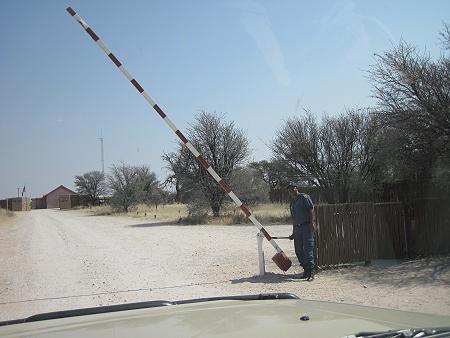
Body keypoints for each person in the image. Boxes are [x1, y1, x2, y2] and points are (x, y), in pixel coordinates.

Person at [287, 183, 316, 281]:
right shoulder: (292, 202)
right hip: (297, 229)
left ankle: (311, 272)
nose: (291, 191)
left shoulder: (304, 197)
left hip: (306, 226)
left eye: (292, 188)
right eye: (289, 190)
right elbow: (294, 218)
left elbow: (311, 209)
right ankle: (306, 270)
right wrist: (293, 232)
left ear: (296, 188)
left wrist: (312, 223)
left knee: (308, 250)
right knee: (298, 250)